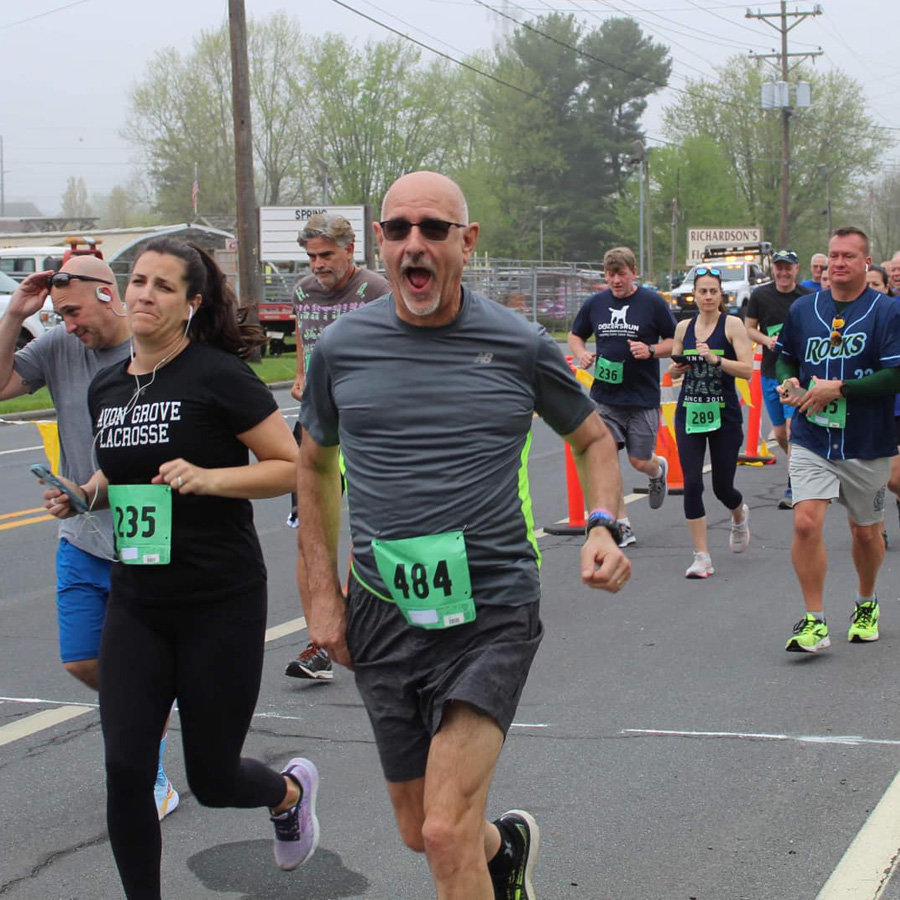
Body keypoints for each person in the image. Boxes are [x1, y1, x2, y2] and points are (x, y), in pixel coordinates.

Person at [296, 171, 631, 900]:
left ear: (466, 243)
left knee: (444, 832)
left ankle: (481, 854)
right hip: (383, 609)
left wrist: (606, 525)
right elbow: (314, 467)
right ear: (380, 243)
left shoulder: (517, 344)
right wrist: (323, 594)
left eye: (434, 229)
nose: (414, 244)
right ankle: (504, 852)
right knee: (423, 831)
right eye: (398, 229)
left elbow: (594, 440)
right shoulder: (341, 349)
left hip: (492, 607)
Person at [43, 238, 320, 899]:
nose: (144, 294)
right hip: (136, 598)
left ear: (191, 304)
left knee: (215, 779)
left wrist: (210, 478)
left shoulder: (217, 376)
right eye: (138, 281)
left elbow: (291, 466)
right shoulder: (110, 385)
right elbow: (124, 468)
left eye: (164, 287)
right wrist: (85, 493)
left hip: (218, 600)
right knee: (125, 768)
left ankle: (288, 793)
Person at [0, 254, 179, 819]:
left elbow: (142, 449)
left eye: (73, 311)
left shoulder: (150, 350)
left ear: (108, 294)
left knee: (130, 667)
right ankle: (149, 708)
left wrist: (89, 489)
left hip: (144, 536)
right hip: (81, 538)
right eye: (59, 315)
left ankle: (151, 777)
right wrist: (15, 314)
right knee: (83, 661)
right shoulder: (58, 347)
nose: (69, 324)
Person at [777, 227, 900, 653]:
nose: (838, 263)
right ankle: (815, 620)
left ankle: (866, 602)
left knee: (866, 534)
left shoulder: (887, 312)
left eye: (849, 256)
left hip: (867, 441)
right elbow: (783, 356)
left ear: (867, 262)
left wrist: (841, 388)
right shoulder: (804, 309)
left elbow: (894, 376)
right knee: (805, 520)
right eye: (833, 256)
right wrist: (788, 379)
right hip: (812, 435)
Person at [285, 213, 390, 682]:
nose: (318, 265)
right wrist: (301, 374)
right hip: (316, 424)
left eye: (327, 255)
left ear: (351, 250)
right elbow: (304, 338)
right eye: (311, 256)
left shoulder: (376, 291)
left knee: (381, 533)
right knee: (310, 537)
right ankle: (318, 643)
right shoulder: (304, 290)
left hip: (370, 425)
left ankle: (390, 627)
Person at [568, 246, 676, 547]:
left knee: (639, 461)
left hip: (641, 398)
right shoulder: (596, 304)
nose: (616, 280)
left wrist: (652, 350)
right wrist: (581, 354)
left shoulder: (652, 303)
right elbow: (575, 335)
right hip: (605, 398)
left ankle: (658, 470)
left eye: (621, 274)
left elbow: (675, 339)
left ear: (633, 272)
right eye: (611, 274)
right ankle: (623, 525)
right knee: (607, 462)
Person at [669, 268, 753, 578]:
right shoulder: (683, 328)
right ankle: (701, 556)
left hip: (724, 415)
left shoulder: (731, 325)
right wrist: (678, 370)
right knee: (692, 483)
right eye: (702, 291)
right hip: (689, 412)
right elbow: (675, 369)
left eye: (712, 292)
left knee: (722, 487)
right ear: (695, 294)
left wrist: (717, 360)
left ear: (721, 295)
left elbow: (746, 370)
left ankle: (738, 513)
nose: (706, 297)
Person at [744, 249, 810, 509]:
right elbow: (749, 327)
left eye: (788, 267)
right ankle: (804, 466)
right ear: (773, 269)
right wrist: (766, 340)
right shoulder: (761, 295)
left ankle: (795, 486)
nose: (783, 272)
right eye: (779, 267)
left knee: (794, 431)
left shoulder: (807, 297)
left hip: (797, 374)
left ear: (796, 269)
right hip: (771, 371)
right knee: (781, 434)